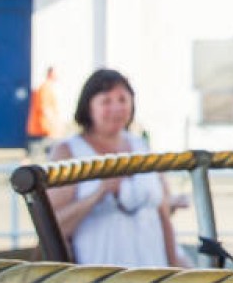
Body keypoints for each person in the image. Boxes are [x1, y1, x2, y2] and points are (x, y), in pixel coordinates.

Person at [46, 69, 187, 269]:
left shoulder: (142, 147)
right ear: (88, 107)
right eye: (106, 101)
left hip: (153, 275)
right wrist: (98, 194)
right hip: (100, 282)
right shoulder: (68, 152)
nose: (116, 108)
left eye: (122, 100)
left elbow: (162, 214)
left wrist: (177, 269)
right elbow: (52, 227)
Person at [25, 66, 61, 159]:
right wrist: (55, 126)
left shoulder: (48, 88)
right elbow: (45, 108)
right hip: (42, 129)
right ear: (50, 74)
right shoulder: (45, 88)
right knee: (34, 157)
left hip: (46, 130)